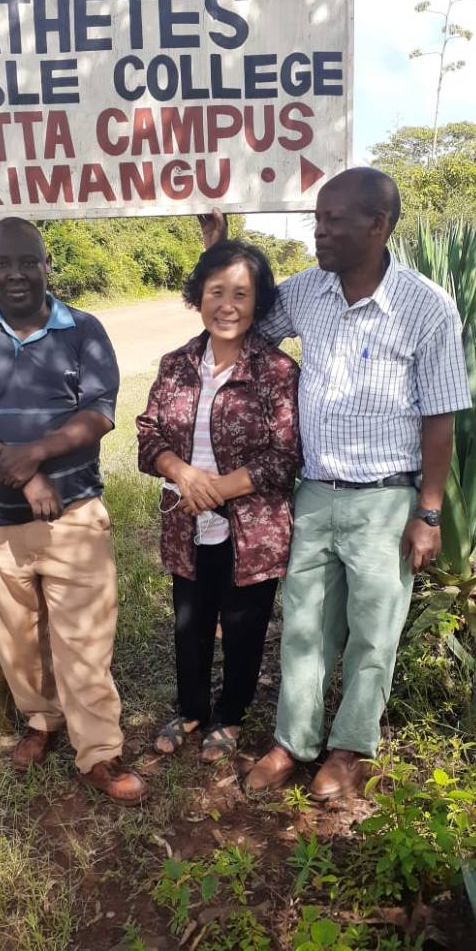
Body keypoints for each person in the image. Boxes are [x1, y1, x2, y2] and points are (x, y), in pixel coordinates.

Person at [200, 168, 471, 798]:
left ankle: (349, 749)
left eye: (332, 220)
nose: (318, 231)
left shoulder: (426, 307)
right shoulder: (307, 291)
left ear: (377, 225)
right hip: (316, 491)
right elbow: (240, 319)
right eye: (317, 219)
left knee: (373, 632)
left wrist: (429, 512)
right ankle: (292, 742)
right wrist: (217, 249)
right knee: (305, 625)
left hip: (387, 497)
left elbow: (440, 416)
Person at [0, 216, 145, 805]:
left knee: (85, 640)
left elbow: (98, 414)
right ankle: (41, 720)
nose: (17, 274)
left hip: (74, 515)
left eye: (29, 261)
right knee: (18, 640)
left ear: (48, 265)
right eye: (3, 263)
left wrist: (38, 453)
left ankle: (98, 752)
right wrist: (27, 476)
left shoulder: (84, 330)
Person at [136, 240, 301, 763]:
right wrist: (183, 474)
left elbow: (285, 456)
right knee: (189, 622)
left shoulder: (276, 371)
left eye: (241, 294)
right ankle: (191, 710)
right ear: (198, 296)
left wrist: (213, 491)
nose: (227, 306)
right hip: (186, 522)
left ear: (259, 302)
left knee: (244, 626)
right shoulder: (176, 364)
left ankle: (230, 716)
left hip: (252, 527)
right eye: (216, 292)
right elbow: (148, 434)